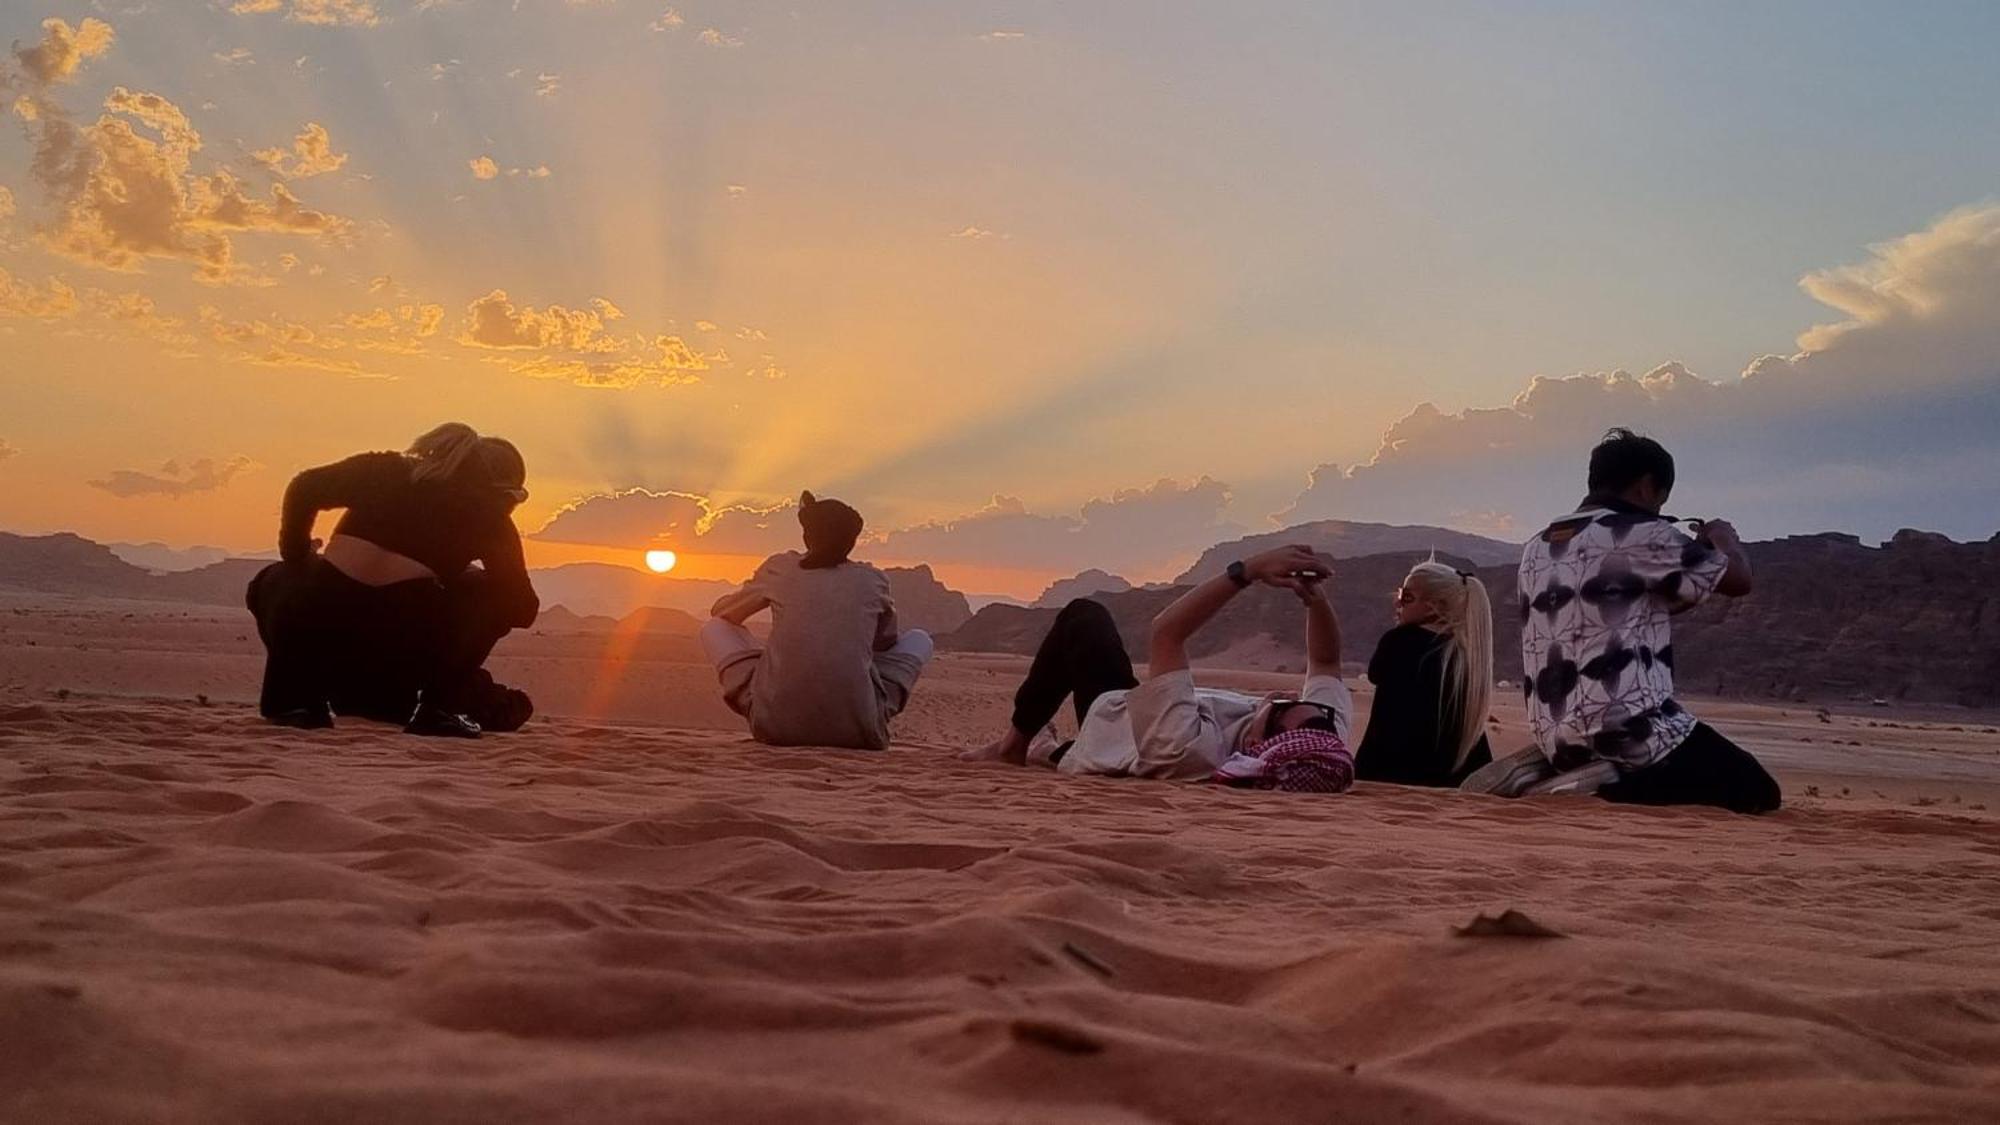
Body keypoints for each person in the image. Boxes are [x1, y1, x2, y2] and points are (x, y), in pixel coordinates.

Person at [1497, 427, 1779, 813]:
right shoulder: (1641, 533)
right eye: (1662, 501)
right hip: (1636, 732)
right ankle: (1608, 787)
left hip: (1557, 737)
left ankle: (1559, 774)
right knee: (1756, 791)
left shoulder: (1539, 544)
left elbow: (1622, 611)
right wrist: (1722, 535)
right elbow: (1739, 581)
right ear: (1647, 488)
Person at [968, 545, 1355, 792]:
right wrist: (1312, 597)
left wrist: (1246, 571)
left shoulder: (1190, 749)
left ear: (1256, 745)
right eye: (1309, 706)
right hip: (1132, 728)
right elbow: (1325, 662)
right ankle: (1047, 748)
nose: (1288, 697)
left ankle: (1013, 748)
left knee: (1084, 618)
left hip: (1111, 723)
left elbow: (1166, 633)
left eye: (1283, 709)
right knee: (1062, 749)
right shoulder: (1320, 740)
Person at [245, 422, 539, 737]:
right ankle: (439, 709)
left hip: (322, 632)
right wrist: (463, 580)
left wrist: (298, 553)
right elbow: (521, 607)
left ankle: (295, 703)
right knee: (491, 596)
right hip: (397, 650)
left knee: (275, 577)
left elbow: (305, 486)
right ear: (502, 490)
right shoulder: (490, 516)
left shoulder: (384, 469)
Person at [700, 491, 933, 750]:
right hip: (860, 731)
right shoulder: (873, 579)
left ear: (806, 535)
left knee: (715, 628)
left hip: (774, 727)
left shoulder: (781, 568)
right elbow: (886, 642)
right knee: (920, 639)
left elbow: (725, 614)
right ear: (852, 541)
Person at [1353, 560, 1495, 787]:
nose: (1397, 603)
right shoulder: (1464, 655)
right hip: (1456, 781)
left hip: (1388, 776)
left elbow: (1375, 674)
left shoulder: (1398, 641)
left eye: (1407, 598)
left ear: (1434, 606)